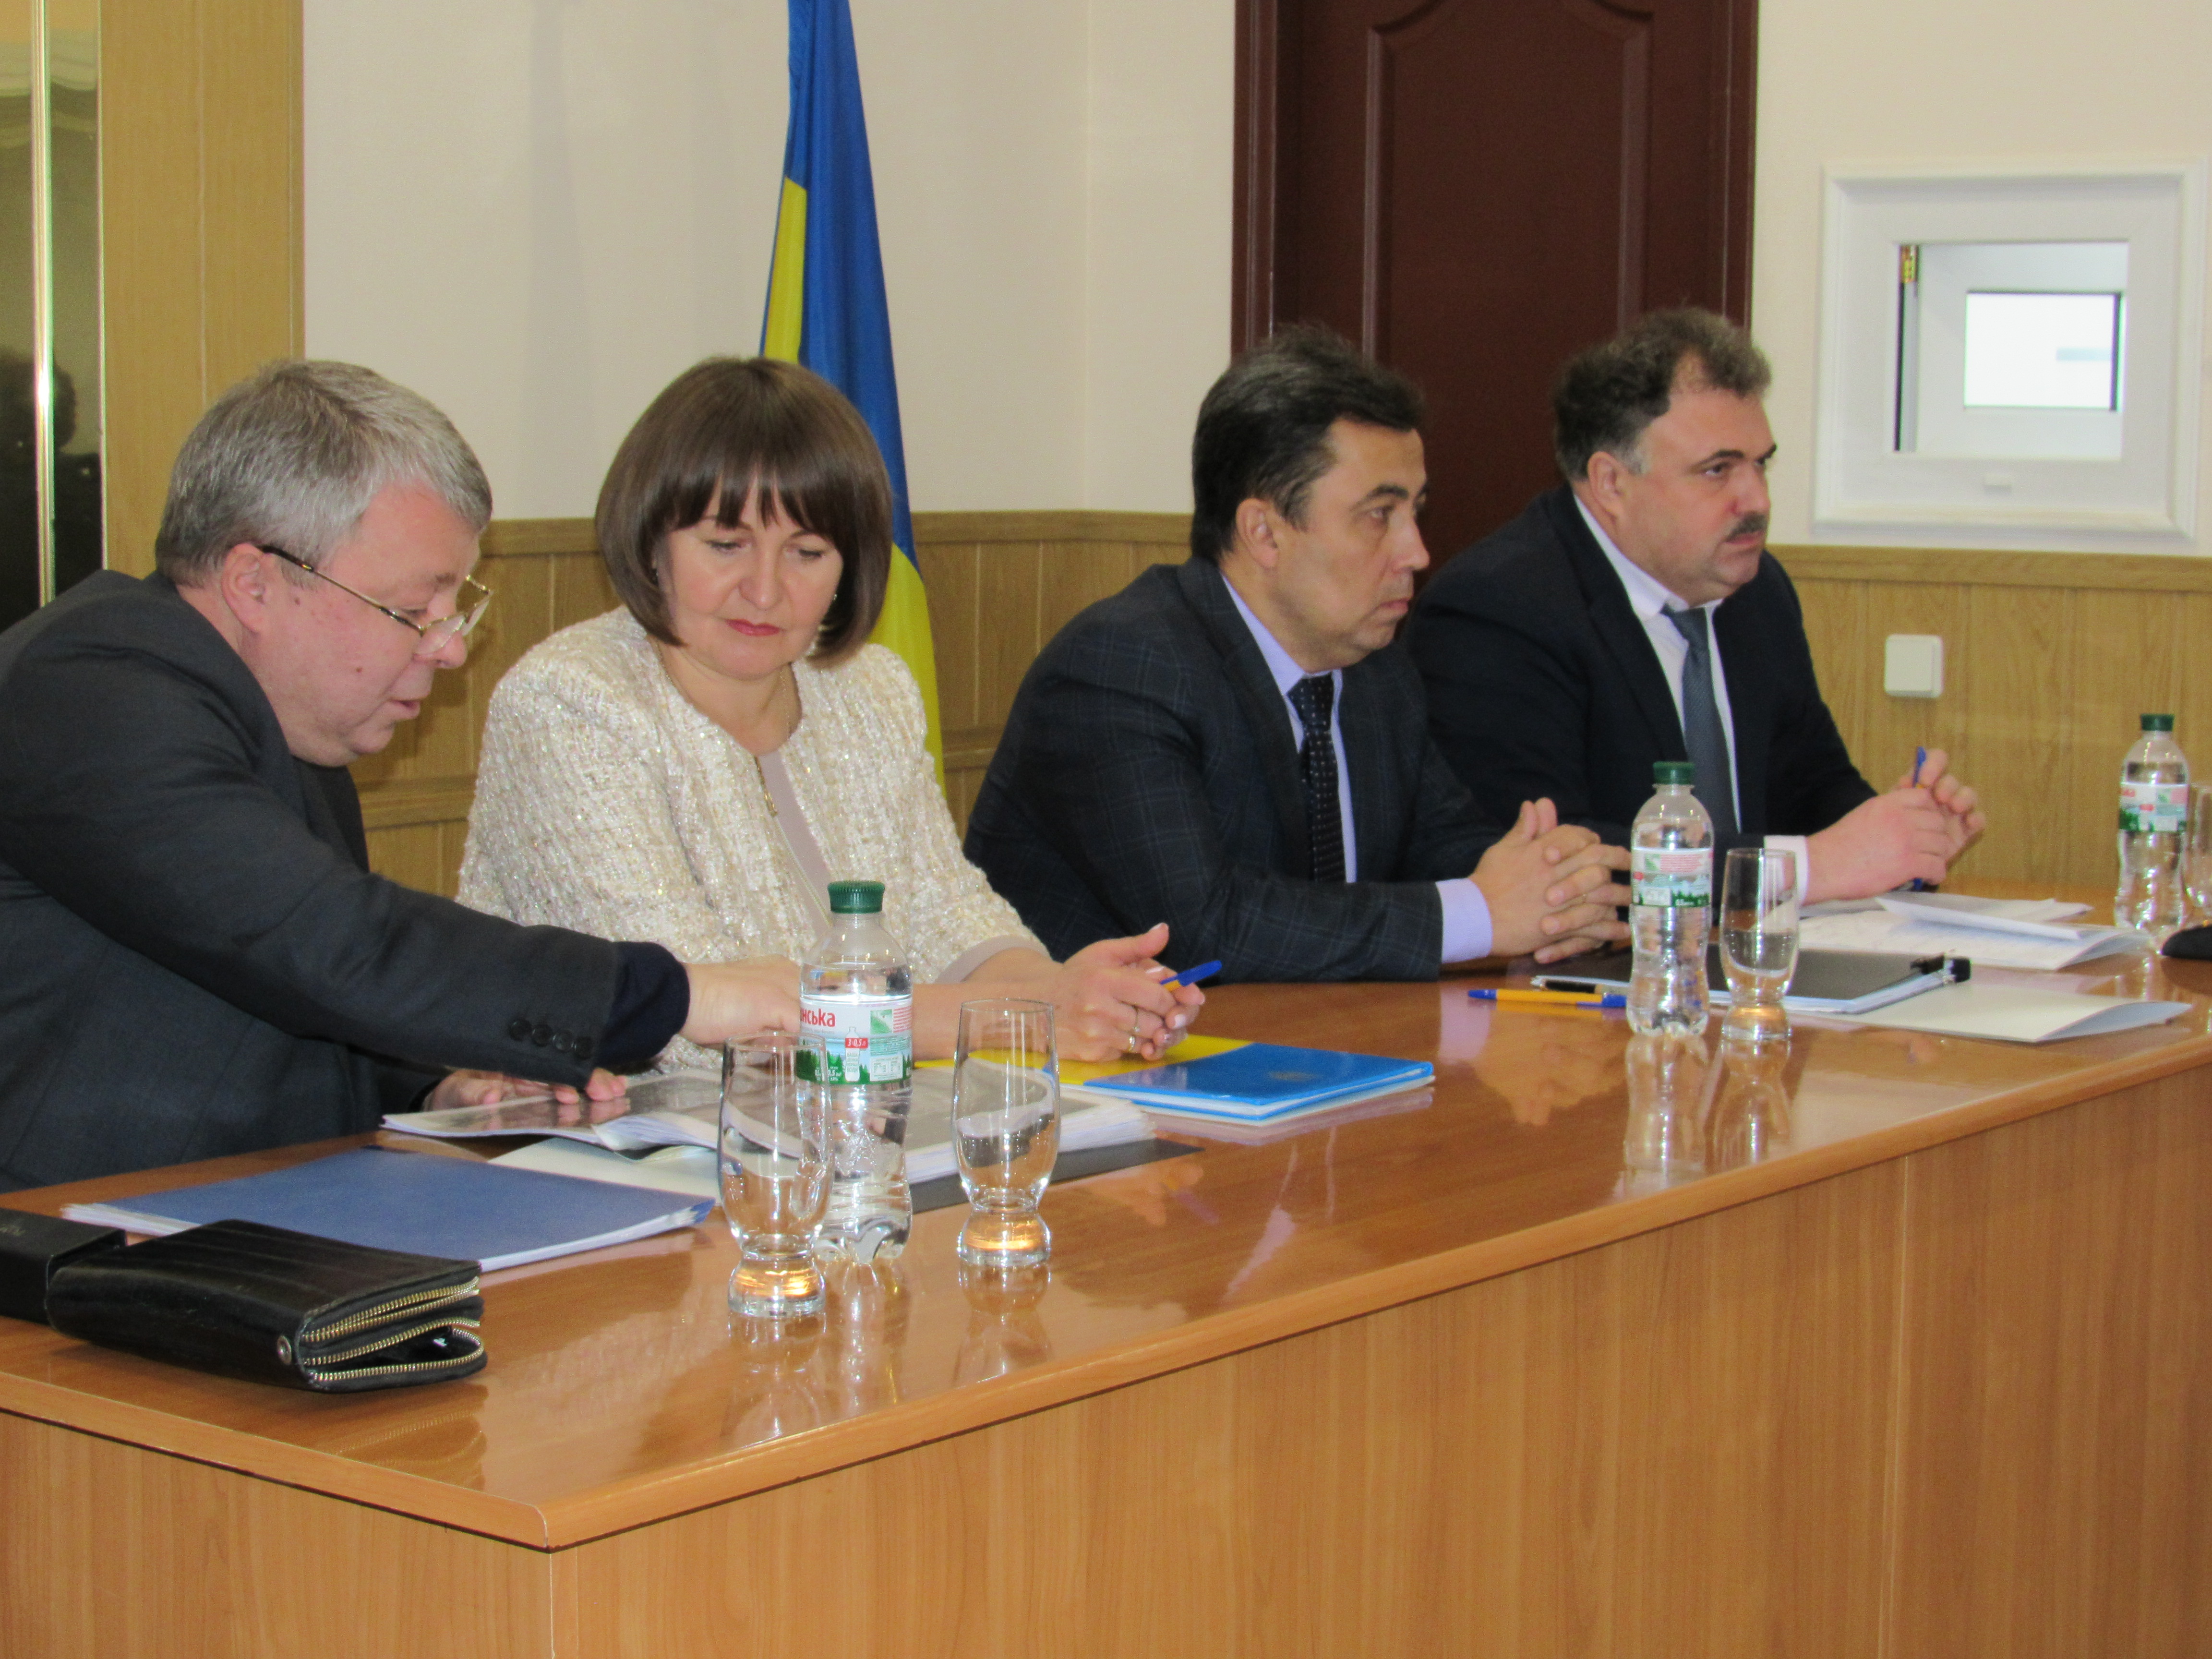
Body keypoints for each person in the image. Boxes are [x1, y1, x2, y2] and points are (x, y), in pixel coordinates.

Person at [0, 361, 799, 1192]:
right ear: (254, 583)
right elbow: (324, 942)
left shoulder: (279, 714)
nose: (449, 648)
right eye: (412, 611)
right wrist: (675, 996)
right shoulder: (85, 689)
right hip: (59, 1235)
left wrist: (429, 1086)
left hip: (240, 1209)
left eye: (455, 609)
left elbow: (267, 993)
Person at [458, 357, 1201, 1070]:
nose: (765, 590)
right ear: (653, 544)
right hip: (621, 1136)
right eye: (726, 545)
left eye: (807, 553)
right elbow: (691, 1015)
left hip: (853, 1121)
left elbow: (950, 917)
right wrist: (1026, 1015)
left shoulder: (869, 689)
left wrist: (1078, 992)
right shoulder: (570, 703)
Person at [962, 327, 1629, 983]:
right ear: (1264, 532)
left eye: (1416, 511)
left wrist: (1558, 885)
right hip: (1101, 1050)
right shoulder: (1122, 669)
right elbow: (1204, 928)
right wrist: (1477, 915)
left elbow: (1444, 847)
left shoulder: (1377, 671)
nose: (1418, 552)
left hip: (1311, 1038)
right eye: (1379, 515)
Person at [1408, 309, 1983, 903]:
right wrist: (1808, 868)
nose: (1756, 500)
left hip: (1745, 952)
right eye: (1717, 471)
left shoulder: (1755, 590)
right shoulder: (1499, 610)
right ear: (1611, 484)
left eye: (1761, 464)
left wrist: (1905, 838)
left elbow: (1810, 785)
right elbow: (1551, 860)